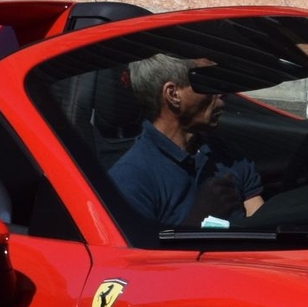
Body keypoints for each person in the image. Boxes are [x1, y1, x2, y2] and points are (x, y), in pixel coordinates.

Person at [108, 54, 266, 229]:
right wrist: (201, 216)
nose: (222, 93)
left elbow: (263, 226)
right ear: (173, 94)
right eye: (207, 82)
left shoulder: (227, 154)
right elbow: (135, 254)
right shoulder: (131, 179)